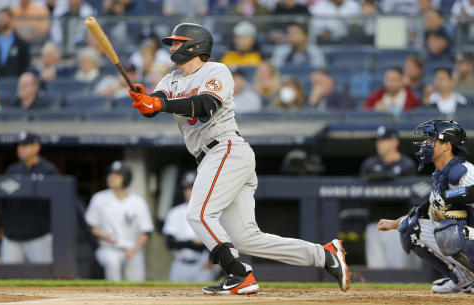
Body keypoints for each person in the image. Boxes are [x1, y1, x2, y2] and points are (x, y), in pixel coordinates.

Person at [128, 23, 350, 295]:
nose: (172, 47)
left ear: (194, 45)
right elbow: (155, 105)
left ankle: (238, 273)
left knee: (198, 214)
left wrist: (159, 104)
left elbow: (204, 106)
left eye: (177, 42)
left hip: (225, 149)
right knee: (246, 240)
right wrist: (144, 100)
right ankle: (325, 255)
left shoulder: (216, 70)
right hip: (216, 157)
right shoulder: (170, 79)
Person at [377, 120, 474, 293]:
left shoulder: (463, 171)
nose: (425, 144)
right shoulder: (440, 176)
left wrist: (448, 197)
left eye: (431, 140)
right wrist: (395, 223)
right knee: (410, 226)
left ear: (446, 146)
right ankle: (463, 279)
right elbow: (427, 211)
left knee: (451, 230)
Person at [360, 126, 419, 269]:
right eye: (378, 140)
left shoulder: (407, 165)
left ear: (394, 142)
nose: (379, 143)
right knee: (375, 269)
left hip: (397, 224)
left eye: (383, 140)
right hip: (375, 224)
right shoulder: (370, 164)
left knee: (399, 269)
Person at [85, 161, 154, 282]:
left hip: (132, 249)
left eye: (117, 175)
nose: (112, 177)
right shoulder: (99, 198)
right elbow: (92, 227)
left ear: (126, 178)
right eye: (110, 174)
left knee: (136, 283)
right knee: (112, 263)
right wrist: (105, 236)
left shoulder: (138, 202)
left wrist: (134, 249)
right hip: (108, 249)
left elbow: (146, 232)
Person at [0, 131, 59, 264]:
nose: (21, 149)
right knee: (7, 280)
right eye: (19, 145)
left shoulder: (49, 170)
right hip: (12, 236)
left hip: (39, 236)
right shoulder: (12, 170)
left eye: (25, 145)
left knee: (44, 280)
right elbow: (3, 202)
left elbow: (58, 203)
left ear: (36, 147)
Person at [163, 171, 220, 282]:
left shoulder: (208, 211)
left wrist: (211, 259)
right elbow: (170, 243)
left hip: (201, 263)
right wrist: (192, 243)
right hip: (180, 263)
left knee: (204, 297)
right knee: (175, 296)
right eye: (187, 188)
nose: (189, 192)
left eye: (192, 188)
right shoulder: (174, 212)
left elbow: (216, 241)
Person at [0, 8, 30, 78]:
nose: (1, 19)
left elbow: (25, 64)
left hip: (14, 82)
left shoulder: (20, 43)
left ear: (11, 19)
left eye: (4, 16)